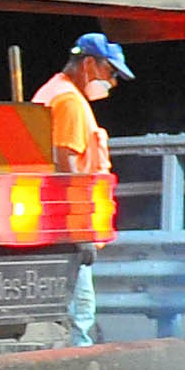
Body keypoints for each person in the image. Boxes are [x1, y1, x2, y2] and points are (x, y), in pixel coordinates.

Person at [34, 30, 127, 344]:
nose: (112, 83)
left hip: (50, 224)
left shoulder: (53, 91)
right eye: (110, 73)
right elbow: (68, 168)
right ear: (89, 63)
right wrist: (79, 232)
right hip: (67, 229)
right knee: (79, 315)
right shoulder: (70, 102)